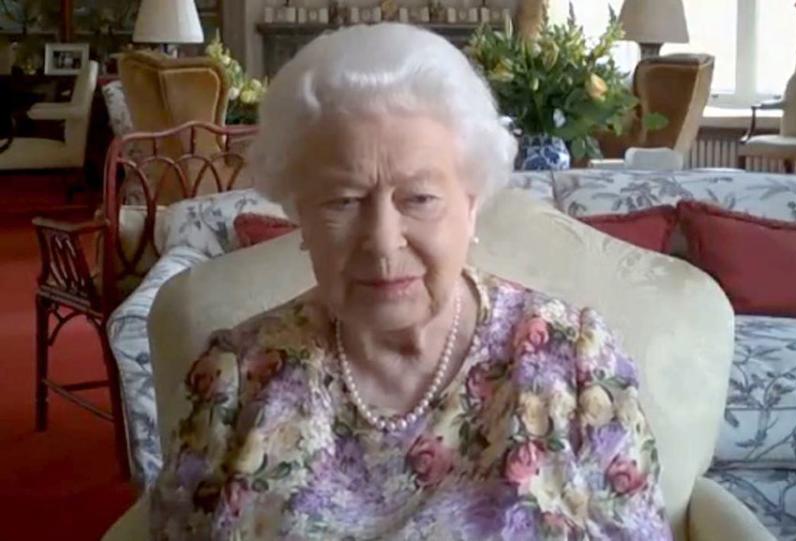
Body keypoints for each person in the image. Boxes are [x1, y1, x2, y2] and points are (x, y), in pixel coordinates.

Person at [149, 22, 672, 540]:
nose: (382, 241)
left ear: (470, 207)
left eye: (419, 198)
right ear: (300, 216)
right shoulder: (236, 381)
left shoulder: (572, 364)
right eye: (342, 201)